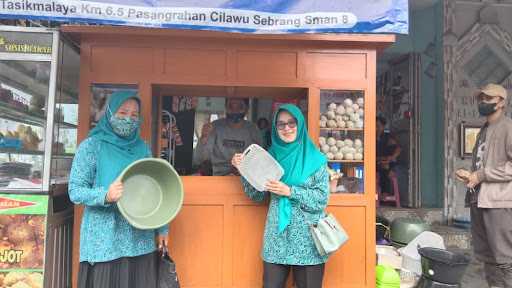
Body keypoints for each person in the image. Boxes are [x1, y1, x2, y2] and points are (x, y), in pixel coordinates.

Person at [69, 91, 169, 288]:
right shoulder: (92, 146)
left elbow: (154, 190)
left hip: (139, 238)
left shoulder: (143, 149)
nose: (128, 119)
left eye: (134, 115)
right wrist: (105, 195)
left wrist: (163, 228)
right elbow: (75, 190)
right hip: (104, 239)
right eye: (123, 113)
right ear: (109, 112)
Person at [231, 104, 330, 288]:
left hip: (308, 240)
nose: (287, 128)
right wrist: (243, 169)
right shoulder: (269, 158)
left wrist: (290, 191)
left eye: (292, 123)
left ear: (300, 125)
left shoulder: (316, 159)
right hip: (277, 238)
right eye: (281, 124)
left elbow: (321, 199)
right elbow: (257, 195)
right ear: (275, 128)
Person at [455, 83, 512, 288]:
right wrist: (471, 176)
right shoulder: (485, 129)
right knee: (486, 255)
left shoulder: (508, 127)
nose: (483, 102)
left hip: (499, 203)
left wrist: (480, 175)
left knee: (504, 257)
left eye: (488, 99)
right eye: (481, 99)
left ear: (501, 102)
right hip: (480, 199)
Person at [194, 97, 262, 175]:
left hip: (243, 176)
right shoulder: (214, 127)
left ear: (247, 109)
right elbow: (198, 159)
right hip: (218, 176)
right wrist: (203, 138)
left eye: (240, 107)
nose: (235, 111)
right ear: (225, 107)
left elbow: (259, 160)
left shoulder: (253, 130)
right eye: (231, 106)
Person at [376, 116, 401, 194]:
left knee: (386, 167)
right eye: (374, 126)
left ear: (383, 127)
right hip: (374, 162)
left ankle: (385, 192)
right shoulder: (369, 137)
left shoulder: (387, 137)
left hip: (386, 162)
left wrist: (391, 157)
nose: (376, 129)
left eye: (378, 126)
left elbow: (398, 148)